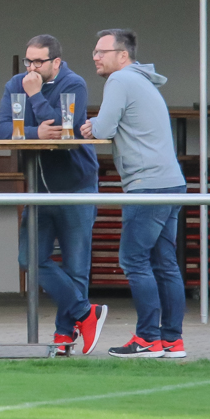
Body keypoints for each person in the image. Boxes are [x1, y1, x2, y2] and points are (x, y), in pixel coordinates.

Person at [0, 34, 107, 356]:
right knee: (29, 258)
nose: (31, 67)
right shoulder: (17, 82)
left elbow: (65, 132)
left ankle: (63, 335)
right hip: (39, 187)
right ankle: (86, 312)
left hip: (76, 184)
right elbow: (2, 129)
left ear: (56, 62)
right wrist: (33, 133)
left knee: (76, 265)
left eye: (38, 62)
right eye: (28, 60)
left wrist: (35, 97)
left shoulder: (75, 83)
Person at [81, 29, 188, 359]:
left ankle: (146, 339)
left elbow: (104, 128)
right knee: (164, 263)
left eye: (102, 51)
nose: (95, 57)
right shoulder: (143, 80)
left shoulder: (120, 80)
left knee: (133, 259)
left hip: (147, 185)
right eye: (94, 51)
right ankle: (172, 340)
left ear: (123, 55)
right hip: (171, 182)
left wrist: (92, 124)